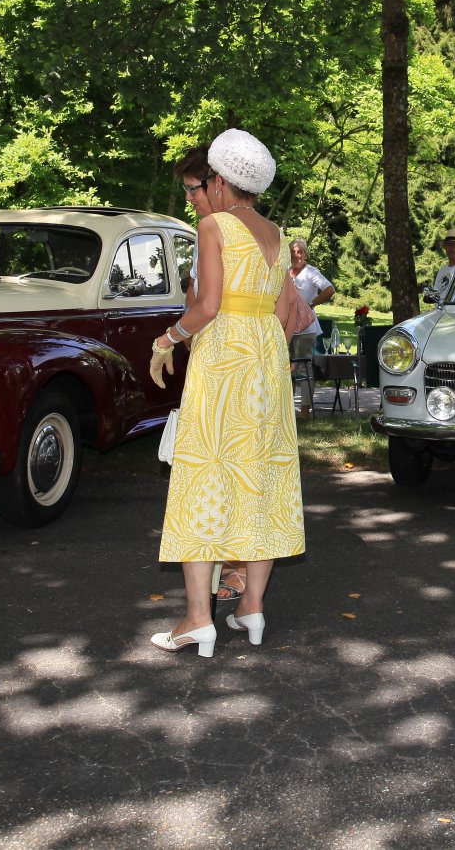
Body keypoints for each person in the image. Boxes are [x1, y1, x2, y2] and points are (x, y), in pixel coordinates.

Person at [146, 129, 305, 657]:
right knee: (262, 480)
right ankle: (251, 607)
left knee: (204, 477)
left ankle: (198, 619)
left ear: (219, 181)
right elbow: (284, 314)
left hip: (223, 362)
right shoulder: (278, 234)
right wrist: (263, 353)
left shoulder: (213, 226)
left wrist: (167, 339)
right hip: (266, 364)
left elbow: (208, 305)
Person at [287, 238, 335, 419]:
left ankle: (305, 410)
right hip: (286, 327)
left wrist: (311, 304)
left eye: (299, 252)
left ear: (305, 254)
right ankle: (287, 409)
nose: (296, 255)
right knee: (286, 368)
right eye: (293, 251)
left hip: (306, 328)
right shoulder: (284, 271)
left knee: (304, 368)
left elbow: (330, 289)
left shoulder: (311, 272)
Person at [432, 228, 455, 298]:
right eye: (448, 244)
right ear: (444, 247)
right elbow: (436, 293)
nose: (451, 248)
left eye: (454, 245)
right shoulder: (442, 269)